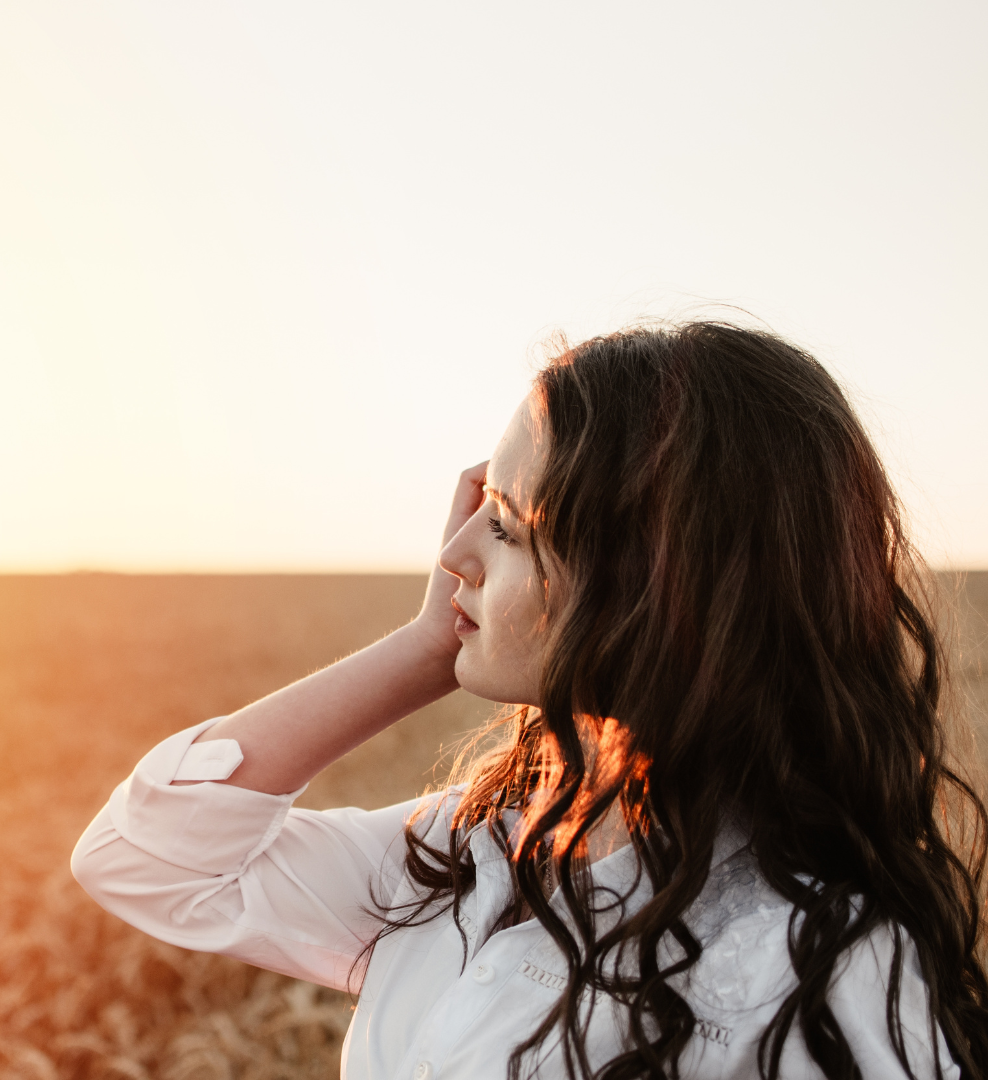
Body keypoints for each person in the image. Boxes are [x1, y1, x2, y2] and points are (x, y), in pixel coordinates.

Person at [72, 321, 988, 1080]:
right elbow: (144, 856)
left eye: (507, 523)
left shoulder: (826, 963)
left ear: (651, 587)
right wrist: (425, 649)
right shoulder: (464, 854)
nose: (454, 555)